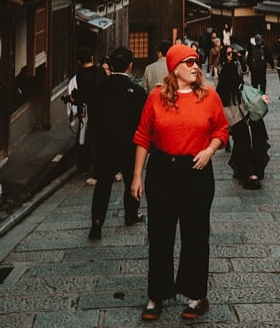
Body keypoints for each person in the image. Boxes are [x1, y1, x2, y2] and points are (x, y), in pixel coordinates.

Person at [131, 43, 229, 321]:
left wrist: (210, 150)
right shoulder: (156, 97)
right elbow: (143, 136)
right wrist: (137, 176)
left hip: (196, 170)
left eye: (196, 61)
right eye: (188, 62)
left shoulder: (209, 96)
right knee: (160, 234)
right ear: (174, 68)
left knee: (195, 234)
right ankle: (156, 295)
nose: (195, 66)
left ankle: (196, 295)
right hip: (162, 170)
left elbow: (221, 129)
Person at [87, 46, 147, 240]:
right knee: (132, 180)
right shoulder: (137, 92)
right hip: (130, 145)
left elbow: (93, 117)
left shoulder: (100, 89)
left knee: (103, 185)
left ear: (111, 66)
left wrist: (94, 142)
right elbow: (143, 122)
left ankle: (97, 222)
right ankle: (131, 215)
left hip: (105, 145)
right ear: (130, 66)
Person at [216, 52, 269, 189]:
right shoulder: (240, 89)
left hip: (236, 123)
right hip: (250, 120)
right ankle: (254, 173)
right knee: (255, 145)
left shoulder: (220, 94)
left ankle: (246, 172)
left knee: (241, 147)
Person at [69, 47, 107, 176]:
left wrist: (74, 97)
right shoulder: (101, 71)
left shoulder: (81, 76)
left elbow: (82, 97)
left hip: (93, 111)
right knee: (104, 138)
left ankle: (97, 171)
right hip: (105, 108)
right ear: (92, 58)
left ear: (79, 61)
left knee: (92, 140)